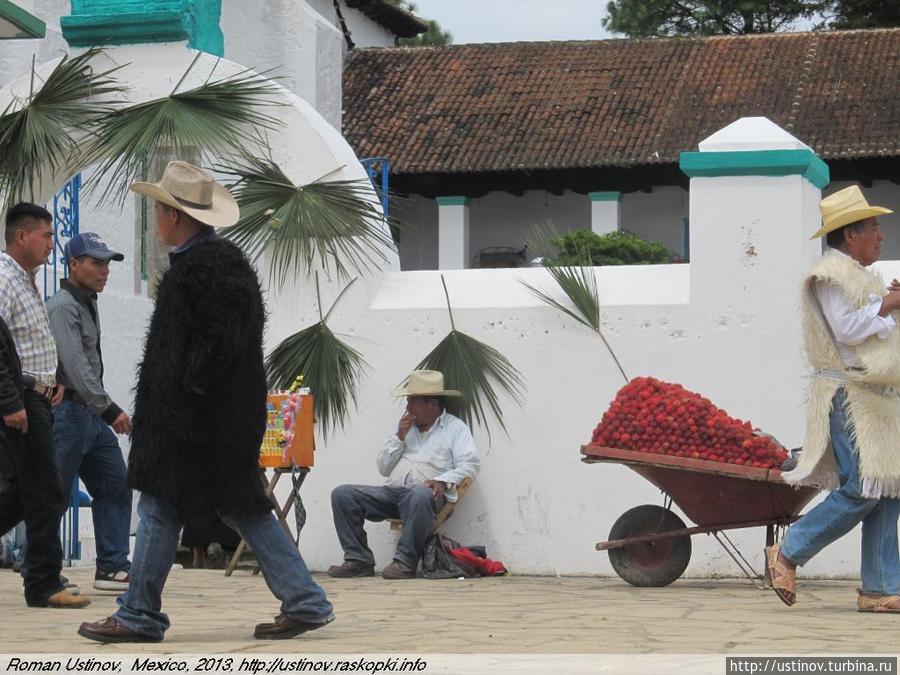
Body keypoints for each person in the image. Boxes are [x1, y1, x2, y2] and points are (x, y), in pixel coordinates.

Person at [77, 161, 333, 643]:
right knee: (242, 507)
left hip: (197, 422)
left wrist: (182, 407)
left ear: (176, 216)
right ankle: (305, 600)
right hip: (221, 419)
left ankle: (138, 614)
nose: (156, 217)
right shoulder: (223, 264)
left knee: (160, 503)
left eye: (159, 208)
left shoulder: (202, 271)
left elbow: (211, 350)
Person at [768, 185, 900, 612]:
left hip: (875, 398)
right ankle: (788, 552)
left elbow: (869, 325)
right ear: (850, 235)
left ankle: (881, 587)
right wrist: (885, 306)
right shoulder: (830, 274)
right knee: (862, 487)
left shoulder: (863, 277)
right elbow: (846, 331)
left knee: (887, 488)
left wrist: (888, 302)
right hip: (849, 395)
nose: (881, 235)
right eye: (874, 228)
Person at [0, 203, 88, 609]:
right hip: (18, 401)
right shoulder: (4, 277)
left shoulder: (25, 279)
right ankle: (43, 583)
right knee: (46, 491)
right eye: (47, 236)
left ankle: (43, 579)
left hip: (33, 395)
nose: (53, 244)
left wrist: (48, 382)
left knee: (21, 493)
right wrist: (11, 399)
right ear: (22, 237)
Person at [329, 369, 480, 580]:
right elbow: (383, 467)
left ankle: (404, 563)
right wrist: (399, 436)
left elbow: (470, 464)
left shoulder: (455, 429)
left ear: (433, 404)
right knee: (342, 494)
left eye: (412, 401)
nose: (407, 408)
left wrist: (442, 481)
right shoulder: (405, 428)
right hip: (394, 493)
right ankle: (358, 560)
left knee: (420, 494)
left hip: (428, 498)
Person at [47, 233, 132, 592]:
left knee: (115, 482)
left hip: (89, 414)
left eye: (107, 263)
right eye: (96, 262)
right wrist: (110, 409)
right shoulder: (63, 305)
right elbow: (76, 366)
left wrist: (101, 409)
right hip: (67, 415)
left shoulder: (86, 301)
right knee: (53, 496)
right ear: (73, 264)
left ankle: (111, 567)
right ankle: (42, 570)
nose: (104, 270)